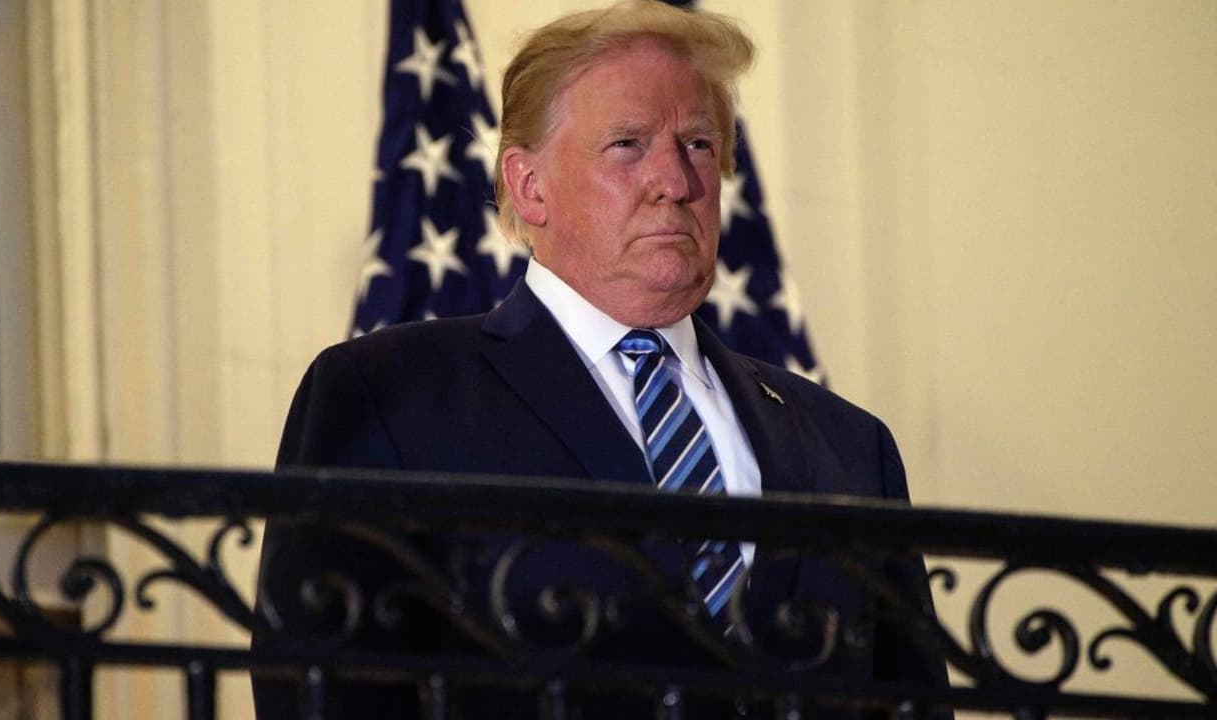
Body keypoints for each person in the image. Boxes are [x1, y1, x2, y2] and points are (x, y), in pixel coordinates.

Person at [255, 2, 946, 717]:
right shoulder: (388, 395)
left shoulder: (849, 447)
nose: (675, 181)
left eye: (699, 144)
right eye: (627, 144)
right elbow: (318, 689)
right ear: (529, 185)